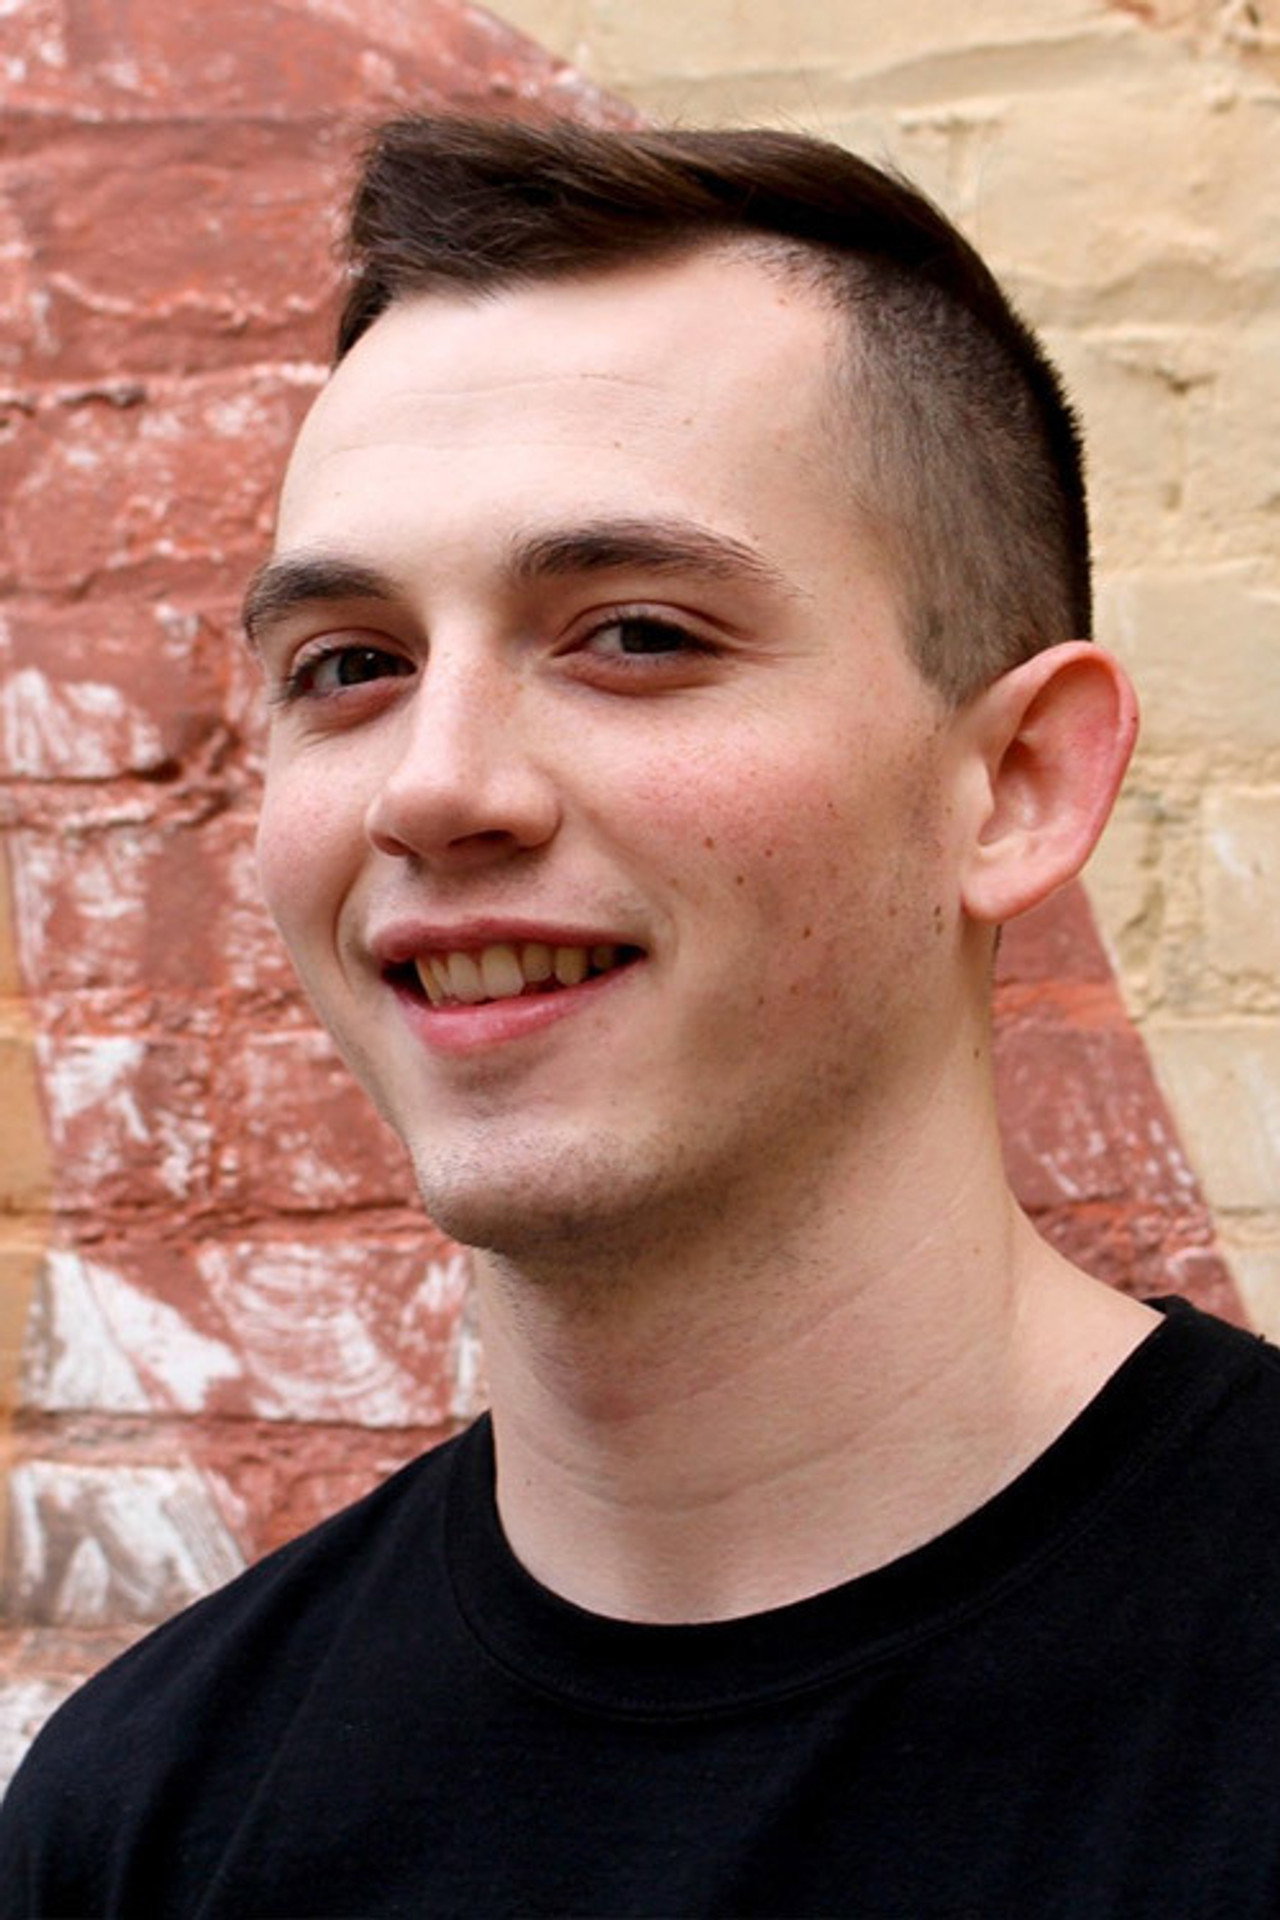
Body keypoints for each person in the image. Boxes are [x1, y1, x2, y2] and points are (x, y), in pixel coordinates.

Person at [3, 115, 1279, 1919]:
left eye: (638, 635)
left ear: (1012, 786)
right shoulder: (139, 1824)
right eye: (350, 666)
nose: (435, 788)